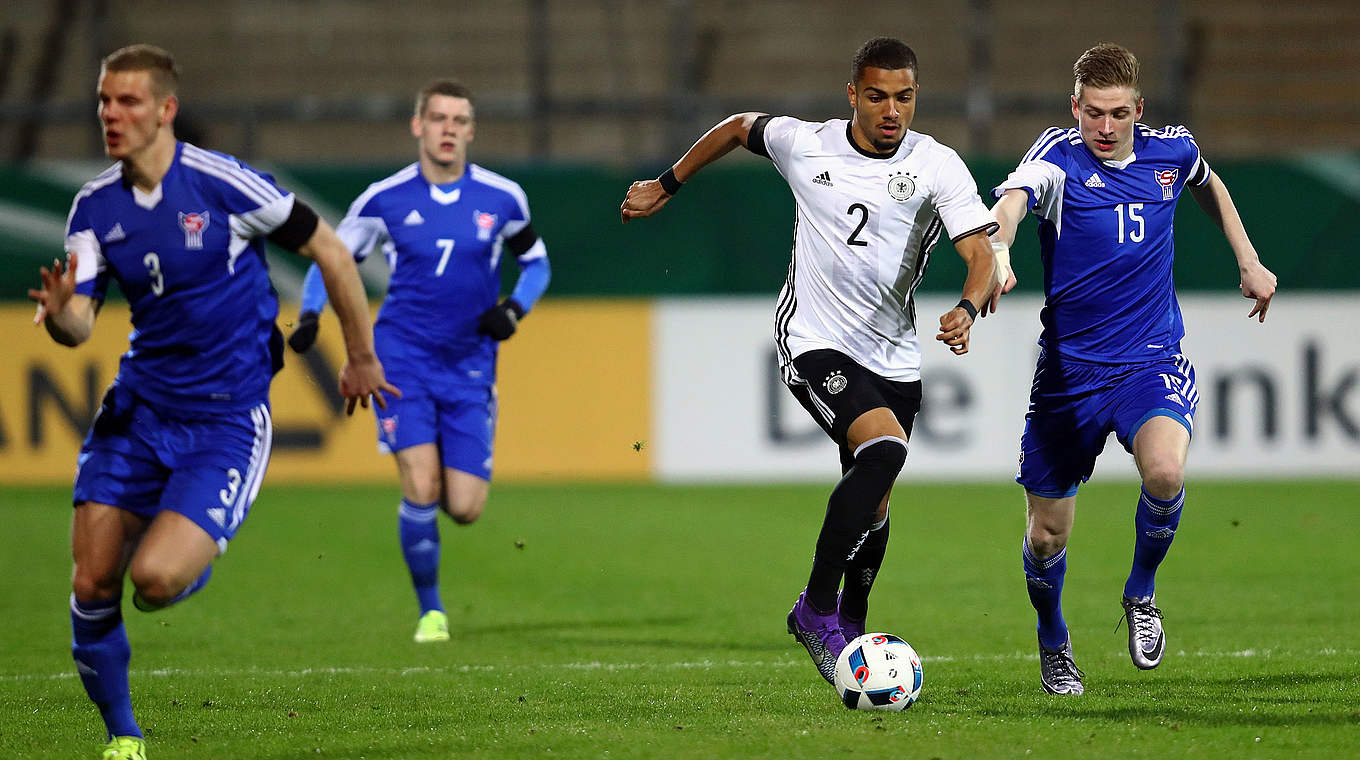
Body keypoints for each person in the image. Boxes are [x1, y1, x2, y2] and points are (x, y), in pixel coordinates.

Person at [26, 45, 398, 759]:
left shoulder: (222, 184)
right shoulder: (95, 205)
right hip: (138, 412)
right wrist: (66, 310)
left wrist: (360, 356)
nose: (111, 114)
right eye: (104, 101)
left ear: (165, 110)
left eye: (128, 102)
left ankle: (181, 568)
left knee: (154, 581)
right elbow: (76, 326)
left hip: (225, 420)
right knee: (92, 580)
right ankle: (124, 736)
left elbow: (331, 250)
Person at [620, 37, 1003, 686]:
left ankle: (851, 626)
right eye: (877, 96)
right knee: (883, 451)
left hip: (895, 354)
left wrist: (968, 306)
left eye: (904, 97)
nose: (891, 111)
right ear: (852, 94)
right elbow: (741, 126)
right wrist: (667, 183)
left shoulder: (937, 165)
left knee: (875, 501)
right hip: (813, 339)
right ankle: (815, 607)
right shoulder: (807, 144)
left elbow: (981, 253)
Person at [988, 42, 1277, 695]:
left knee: (1167, 471)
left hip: (1149, 359)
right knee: (1044, 539)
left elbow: (1210, 184)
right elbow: (1013, 198)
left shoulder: (1171, 151)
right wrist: (999, 244)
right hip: (1068, 377)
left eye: (1118, 113)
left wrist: (1248, 258)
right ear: (1075, 107)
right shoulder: (1056, 160)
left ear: (1138, 109)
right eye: (1092, 112)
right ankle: (1052, 640)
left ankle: (1140, 595)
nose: (1105, 127)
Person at [286, 79, 551, 644]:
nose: (448, 129)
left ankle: (469, 443)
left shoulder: (503, 198)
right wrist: (309, 316)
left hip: (471, 363)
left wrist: (513, 309)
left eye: (459, 120)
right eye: (439, 118)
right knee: (421, 485)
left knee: (465, 507)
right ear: (418, 126)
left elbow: (537, 265)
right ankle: (431, 612)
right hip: (400, 358)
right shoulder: (384, 199)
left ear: (471, 131)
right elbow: (329, 260)